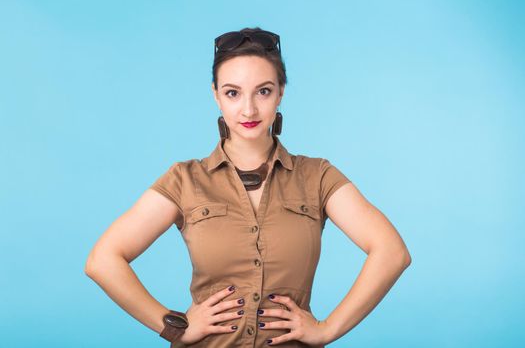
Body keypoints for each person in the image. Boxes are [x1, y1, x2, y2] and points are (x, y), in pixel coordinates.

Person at [85, 27, 412, 348]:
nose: (249, 109)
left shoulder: (317, 177)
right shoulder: (184, 180)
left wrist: (326, 330)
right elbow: (103, 260)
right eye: (233, 92)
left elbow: (391, 251)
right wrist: (172, 326)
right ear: (215, 94)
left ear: (281, 91)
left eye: (263, 91)